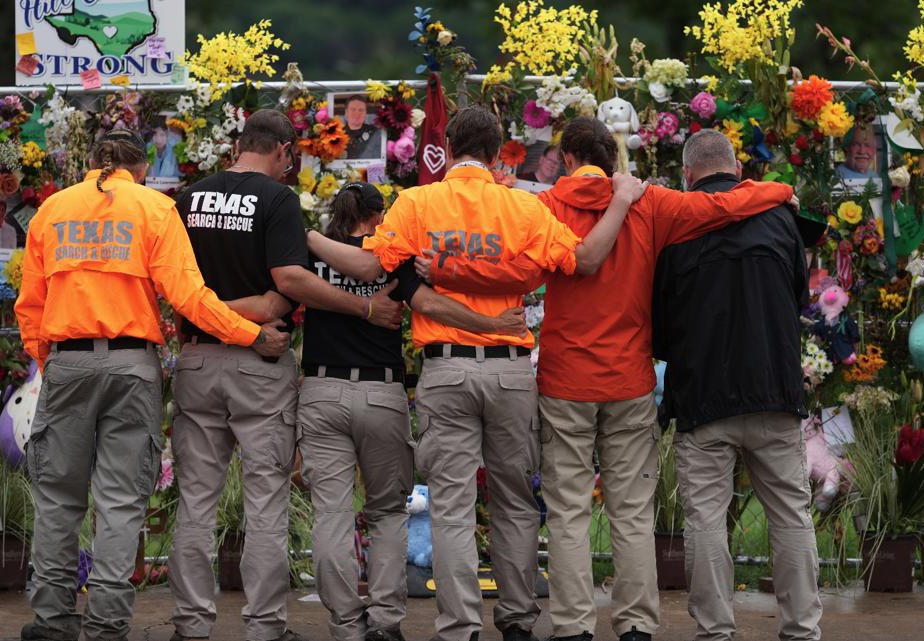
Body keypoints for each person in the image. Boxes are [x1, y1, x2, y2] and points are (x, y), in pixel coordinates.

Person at [417, 118, 798, 641]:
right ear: (613, 160)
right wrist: (778, 190)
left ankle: (573, 626)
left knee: (568, 513)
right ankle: (636, 624)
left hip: (565, 381)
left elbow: (511, 271)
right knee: (632, 512)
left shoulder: (545, 206)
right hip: (629, 379)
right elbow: (720, 205)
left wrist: (442, 270)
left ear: (569, 159)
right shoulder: (650, 203)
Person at [310, 106, 650, 641]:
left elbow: (373, 265)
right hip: (510, 371)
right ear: (496, 156)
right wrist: (624, 200)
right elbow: (583, 259)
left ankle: (460, 626)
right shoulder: (524, 207)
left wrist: (305, 239)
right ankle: (516, 620)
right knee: (516, 502)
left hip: (446, 369)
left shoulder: (417, 203)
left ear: (447, 149)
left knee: (451, 505)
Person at [14, 129, 285, 641]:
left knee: (57, 499)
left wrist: (52, 364)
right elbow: (190, 298)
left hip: (67, 362)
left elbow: (30, 307)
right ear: (140, 170)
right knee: (119, 501)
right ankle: (107, 623)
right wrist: (251, 334)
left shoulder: (51, 211)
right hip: (132, 365)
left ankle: (52, 620)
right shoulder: (154, 209)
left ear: (91, 163)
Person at [168, 109, 403, 641]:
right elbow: (290, 281)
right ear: (282, 151)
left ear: (238, 146)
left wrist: (210, 314)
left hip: (199, 358)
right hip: (261, 361)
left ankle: (191, 624)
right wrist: (363, 308)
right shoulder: (277, 200)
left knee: (196, 501)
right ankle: (264, 626)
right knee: (266, 501)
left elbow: (177, 287)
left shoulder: (189, 199)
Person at [293, 182, 526, 641]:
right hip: (381, 392)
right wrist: (492, 326)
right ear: (378, 217)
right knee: (386, 511)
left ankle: (345, 625)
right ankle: (385, 621)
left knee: (331, 514)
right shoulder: (392, 255)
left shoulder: (313, 255)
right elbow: (430, 303)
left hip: (321, 389)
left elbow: (289, 286)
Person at [652, 129, 822, 641]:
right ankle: (802, 630)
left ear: (687, 175)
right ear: (739, 170)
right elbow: (799, 298)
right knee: (790, 514)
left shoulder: (676, 226)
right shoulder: (781, 219)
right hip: (774, 389)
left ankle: (715, 631)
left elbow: (659, 325)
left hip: (704, 397)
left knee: (705, 520)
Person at [343, 95, 385, 160]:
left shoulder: (376, 133)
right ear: (346, 112)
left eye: (361, 110)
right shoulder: (337, 135)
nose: (357, 113)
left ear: (366, 113)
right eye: (353, 109)